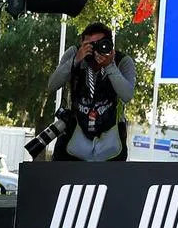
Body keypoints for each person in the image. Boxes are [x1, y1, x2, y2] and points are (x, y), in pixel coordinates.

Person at [46, 22, 136, 162]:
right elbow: (52, 85)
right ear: (82, 43)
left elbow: (127, 95)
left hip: (110, 136)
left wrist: (110, 66)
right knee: (59, 173)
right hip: (76, 132)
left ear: (109, 44)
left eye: (99, 44)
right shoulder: (74, 53)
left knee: (113, 179)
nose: (94, 51)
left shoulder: (122, 61)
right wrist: (75, 60)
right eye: (89, 45)